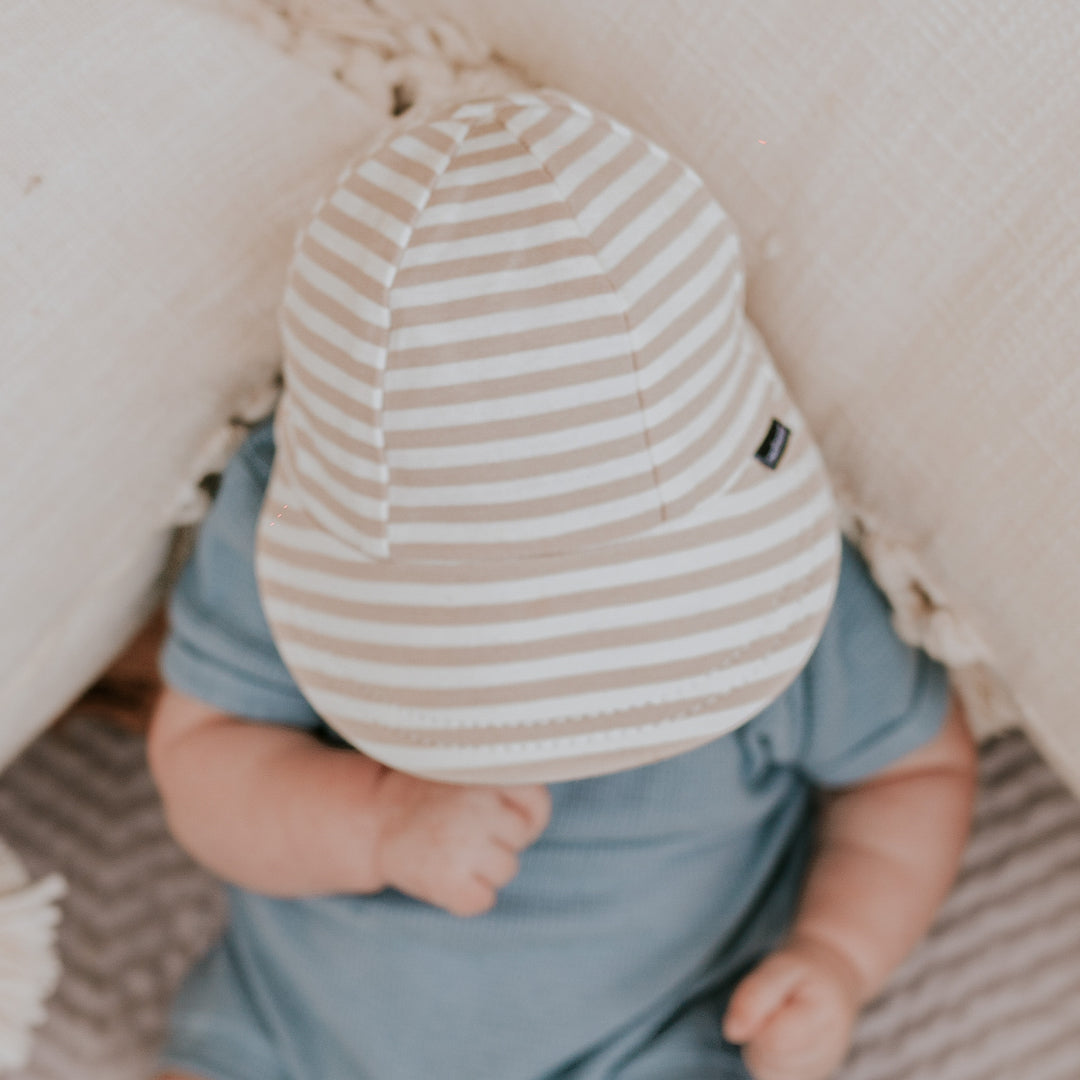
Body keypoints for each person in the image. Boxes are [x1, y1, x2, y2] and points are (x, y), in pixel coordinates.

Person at [148, 90, 977, 1080]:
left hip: (642, 1050)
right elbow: (201, 762)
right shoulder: (278, 517)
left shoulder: (794, 606)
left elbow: (913, 772)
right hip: (291, 1039)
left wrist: (839, 956)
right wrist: (374, 817)